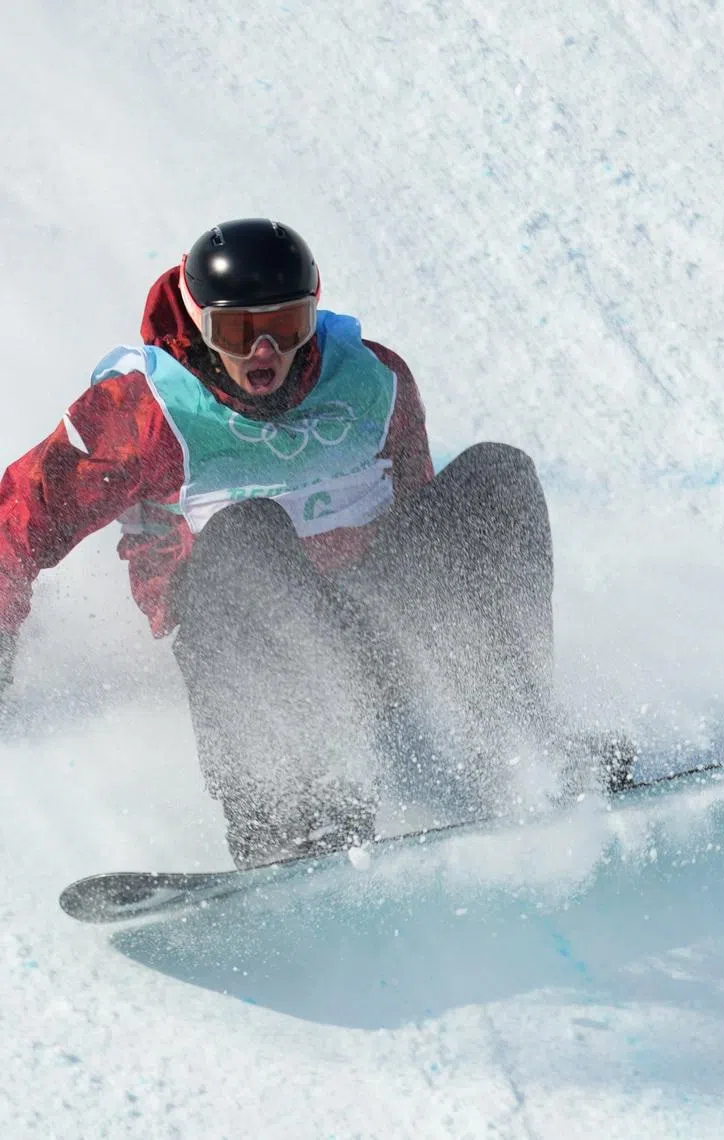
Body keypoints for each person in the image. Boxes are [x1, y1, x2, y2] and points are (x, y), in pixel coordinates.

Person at [0, 218, 564, 867]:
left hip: (374, 628)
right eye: (239, 331)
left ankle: (519, 746)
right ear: (200, 321)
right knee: (248, 529)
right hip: (247, 651)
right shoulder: (146, 412)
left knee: (497, 472)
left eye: (287, 326)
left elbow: (427, 517)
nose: (264, 351)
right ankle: (284, 812)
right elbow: (19, 522)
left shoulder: (373, 381)